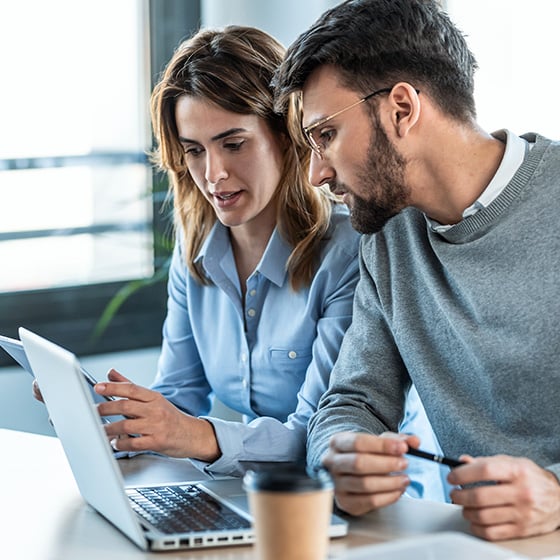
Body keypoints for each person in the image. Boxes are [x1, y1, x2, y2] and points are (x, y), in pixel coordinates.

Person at [27, 24, 436, 492]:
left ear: (286, 135)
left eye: (233, 143)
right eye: (195, 151)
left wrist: (191, 434)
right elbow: (179, 397)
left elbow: (317, 435)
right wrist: (105, 416)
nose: (214, 174)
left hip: (380, 503)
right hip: (265, 496)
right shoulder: (197, 253)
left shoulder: (349, 253)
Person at [273, 0, 560, 542]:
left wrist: (558, 494)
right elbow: (353, 400)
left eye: (325, 135)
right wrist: (340, 454)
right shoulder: (387, 239)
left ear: (401, 109)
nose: (315, 172)